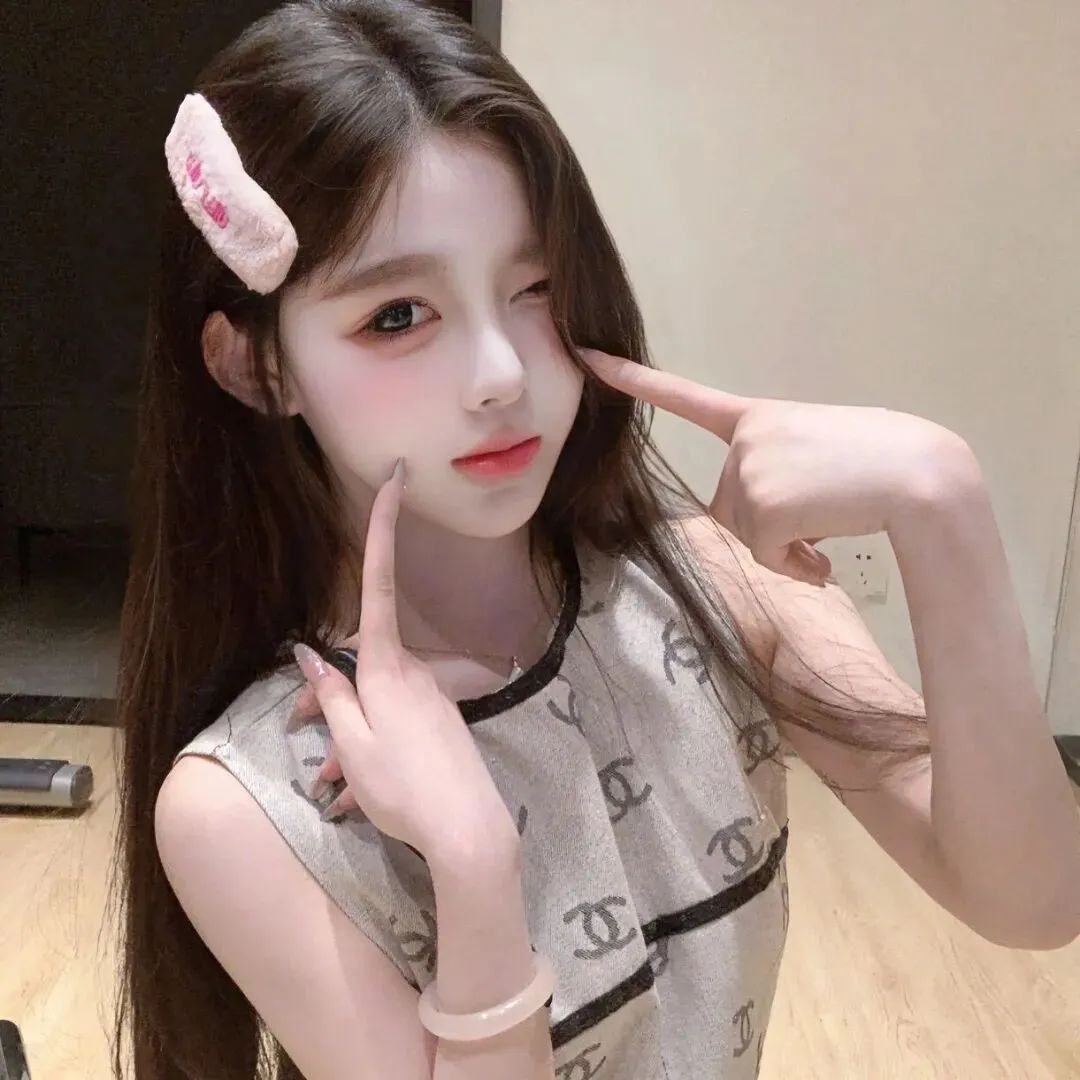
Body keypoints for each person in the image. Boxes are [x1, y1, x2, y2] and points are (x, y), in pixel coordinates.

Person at [111, 1, 1080, 1078]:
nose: (502, 374)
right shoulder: (250, 802)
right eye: (397, 316)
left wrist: (940, 503)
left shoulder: (710, 585)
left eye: (535, 289)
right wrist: (473, 866)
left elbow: (1032, 900)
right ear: (257, 367)